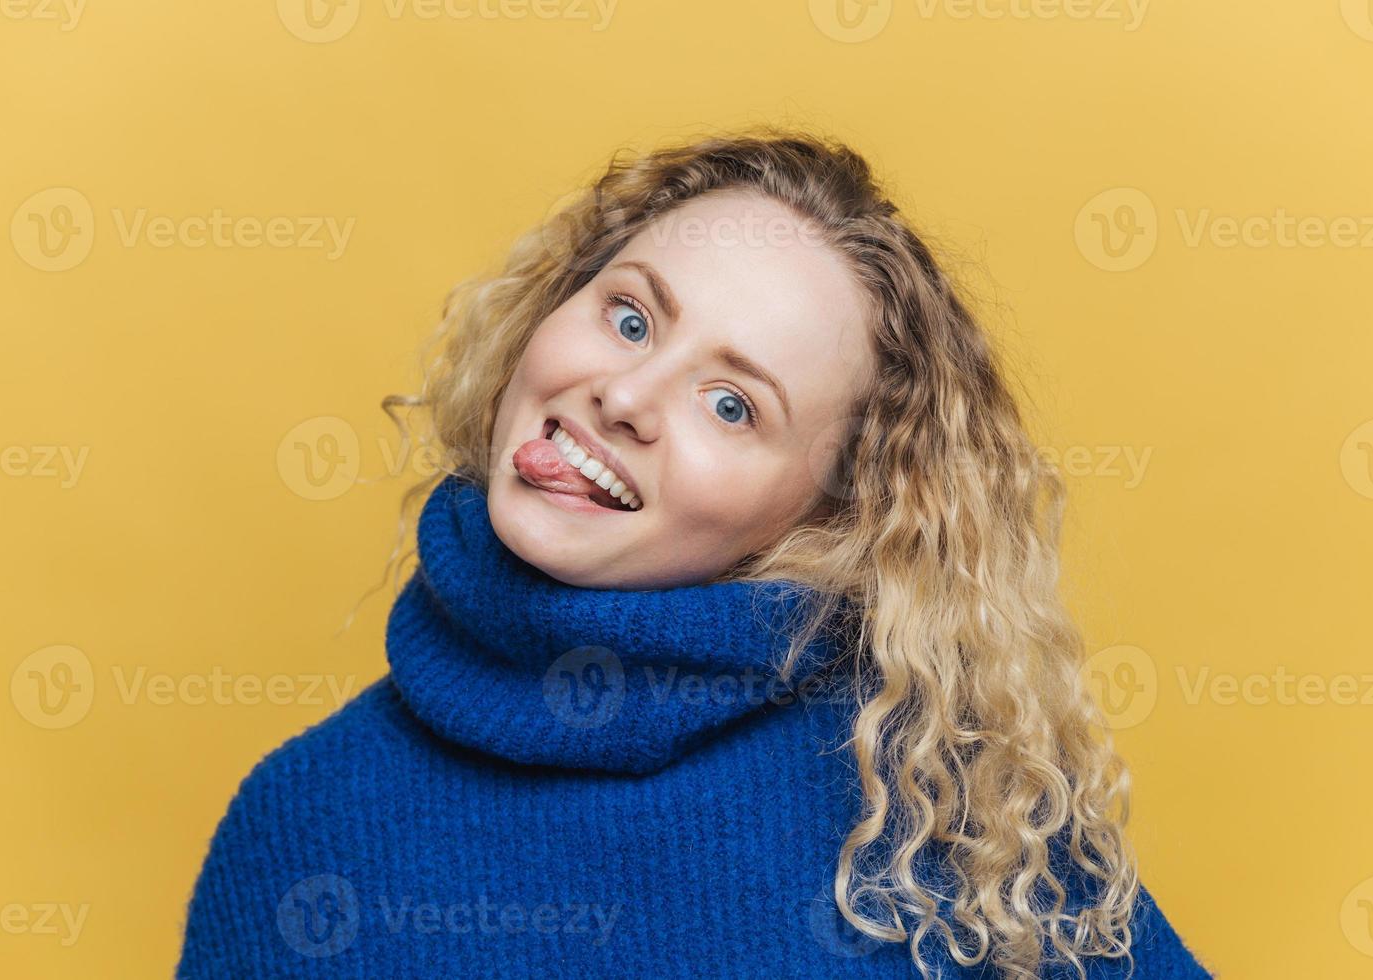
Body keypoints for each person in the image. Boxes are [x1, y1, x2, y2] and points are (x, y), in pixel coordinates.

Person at [176, 127, 1215, 978]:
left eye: (731, 404)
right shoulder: (304, 824)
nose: (623, 397)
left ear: (831, 512)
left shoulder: (943, 813)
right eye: (629, 317)